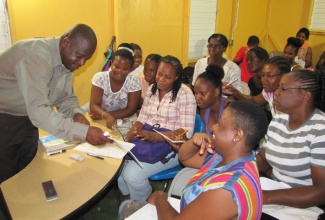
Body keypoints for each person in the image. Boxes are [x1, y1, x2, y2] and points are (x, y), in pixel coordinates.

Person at [0, 24, 112, 183]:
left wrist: (76, 113)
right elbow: (39, 111)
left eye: (86, 59)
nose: (81, 63)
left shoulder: (67, 61)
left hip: (27, 116)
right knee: (7, 175)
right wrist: (83, 132)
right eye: (79, 56)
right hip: (5, 117)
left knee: (29, 167)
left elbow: (65, 97)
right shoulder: (36, 56)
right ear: (66, 42)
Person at [148, 101, 269, 220]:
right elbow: (185, 158)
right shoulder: (228, 156)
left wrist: (160, 198)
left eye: (220, 123)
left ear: (237, 135)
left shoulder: (226, 189)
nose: (213, 127)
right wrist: (194, 142)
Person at [118, 55, 196, 201]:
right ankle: (132, 198)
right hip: (147, 138)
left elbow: (186, 132)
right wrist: (127, 142)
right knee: (119, 165)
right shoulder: (152, 89)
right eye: (159, 74)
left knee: (131, 175)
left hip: (171, 148)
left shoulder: (185, 94)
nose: (161, 79)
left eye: (167, 77)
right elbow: (141, 118)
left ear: (176, 77)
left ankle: (144, 199)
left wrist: (155, 136)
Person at [257, 70, 325, 219]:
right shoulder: (278, 121)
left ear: (305, 95)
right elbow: (262, 160)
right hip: (275, 192)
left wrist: (265, 197)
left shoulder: (320, 130)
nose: (276, 93)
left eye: (283, 88)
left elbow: (321, 192)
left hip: (306, 206)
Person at [89, 43, 141, 137]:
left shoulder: (134, 81)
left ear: (130, 69)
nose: (120, 71)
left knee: (120, 139)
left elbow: (130, 110)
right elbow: (93, 105)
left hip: (125, 119)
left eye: (125, 69)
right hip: (101, 118)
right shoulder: (100, 78)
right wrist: (105, 116)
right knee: (95, 137)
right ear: (111, 62)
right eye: (116, 66)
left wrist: (107, 115)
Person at [223, 56, 291, 117]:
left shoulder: (292, 97)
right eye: (263, 75)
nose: (264, 80)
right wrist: (234, 92)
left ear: (284, 76)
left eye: (270, 76)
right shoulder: (269, 91)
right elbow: (254, 101)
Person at [194, 65, 226, 134]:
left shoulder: (228, 111)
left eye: (202, 94)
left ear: (216, 92)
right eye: (196, 93)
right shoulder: (204, 110)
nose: (197, 97)